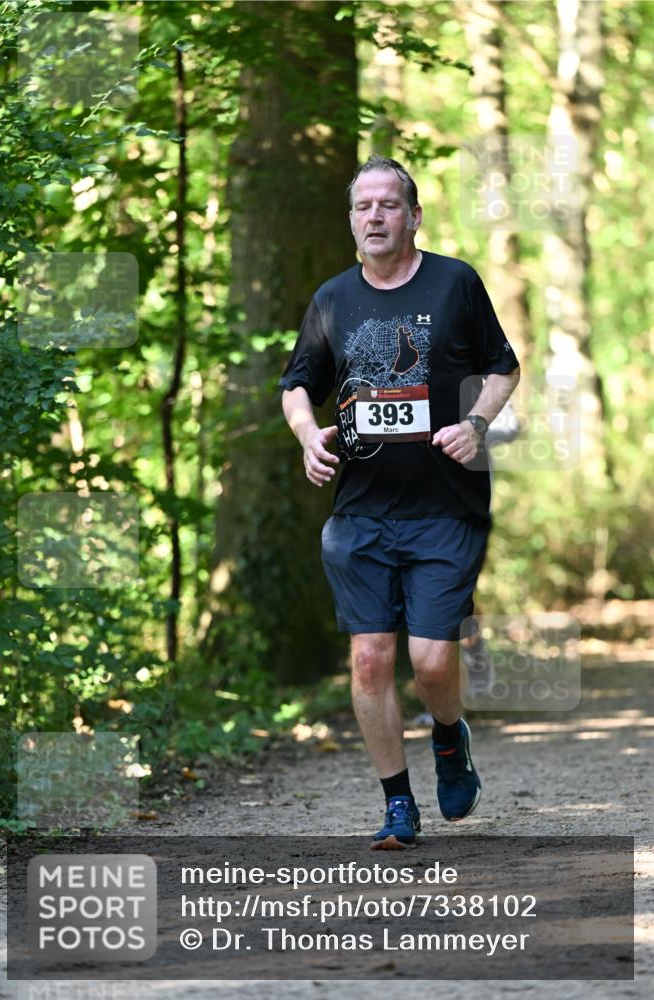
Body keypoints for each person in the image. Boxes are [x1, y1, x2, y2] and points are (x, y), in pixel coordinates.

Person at [280, 156, 520, 850]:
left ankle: (449, 737)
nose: (376, 216)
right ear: (352, 220)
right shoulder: (331, 300)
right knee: (369, 659)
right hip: (359, 512)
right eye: (364, 206)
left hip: (446, 508)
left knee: (434, 661)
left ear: (413, 216)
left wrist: (473, 424)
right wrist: (305, 436)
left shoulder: (455, 283)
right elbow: (298, 383)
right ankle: (396, 806)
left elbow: (502, 367)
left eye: (390, 204)